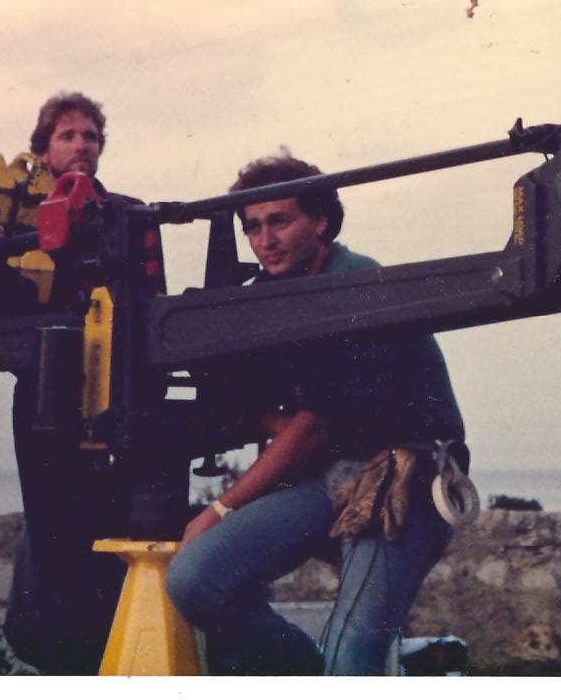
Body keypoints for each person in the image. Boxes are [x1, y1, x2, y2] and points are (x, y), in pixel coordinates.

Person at [165, 153, 468, 675]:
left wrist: (219, 510)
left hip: (402, 478)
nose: (265, 240)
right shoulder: (264, 298)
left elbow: (316, 426)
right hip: (330, 477)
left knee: (354, 656)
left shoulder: (356, 281)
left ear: (321, 221)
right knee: (195, 579)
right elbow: (262, 409)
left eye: (279, 220)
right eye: (253, 227)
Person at [3, 90, 148, 674]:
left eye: (90, 136)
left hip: (120, 387)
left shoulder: (125, 212)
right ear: (42, 150)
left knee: (113, 522)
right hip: (47, 389)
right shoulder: (18, 219)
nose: (82, 145)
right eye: (68, 135)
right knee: (53, 525)